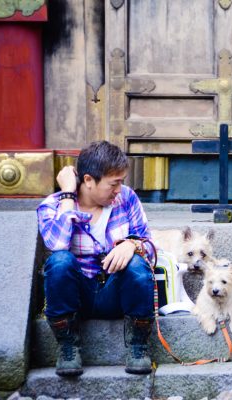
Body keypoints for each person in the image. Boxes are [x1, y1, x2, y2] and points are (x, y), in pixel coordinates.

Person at [37, 141, 155, 377]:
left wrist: (131, 245)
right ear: (88, 180)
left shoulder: (127, 199)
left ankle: (138, 346)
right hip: (77, 297)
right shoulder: (51, 206)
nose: (119, 190)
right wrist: (69, 195)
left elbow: (150, 246)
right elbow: (57, 245)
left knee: (138, 264)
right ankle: (68, 346)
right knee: (60, 262)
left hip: (115, 292)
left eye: (121, 182)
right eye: (114, 183)